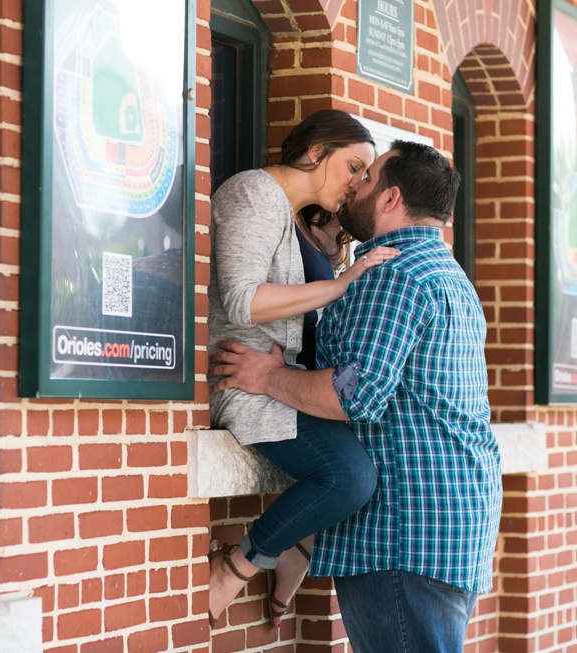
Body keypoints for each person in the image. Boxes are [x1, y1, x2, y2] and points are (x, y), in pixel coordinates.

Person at [210, 141, 503, 652]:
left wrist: (266, 377)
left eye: (365, 180)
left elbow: (353, 395)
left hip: (405, 535)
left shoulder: (393, 274)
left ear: (389, 200)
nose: (353, 188)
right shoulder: (447, 275)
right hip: (450, 521)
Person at [206, 109, 399, 629]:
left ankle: (295, 546)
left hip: (274, 380)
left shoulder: (289, 216)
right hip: (241, 377)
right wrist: (342, 283)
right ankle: (237, 565)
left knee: (369, 462)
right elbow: (243, 300)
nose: (359, 183)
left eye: (367, 175)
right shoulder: (253, 193)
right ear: (316, 153)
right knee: (350, 476)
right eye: (353, 167)